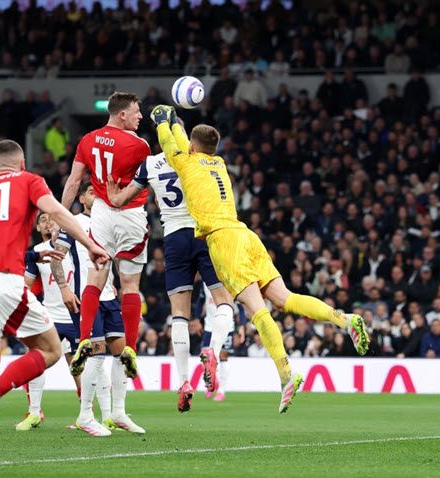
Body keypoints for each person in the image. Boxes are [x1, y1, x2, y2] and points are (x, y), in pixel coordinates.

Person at [149, 106, 369, 413]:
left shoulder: (186, 163)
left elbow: (169, 144)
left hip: (223, 240)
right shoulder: (219, 164)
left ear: (192, 147)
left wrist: (163, 120)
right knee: (285, 298)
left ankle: (286, 374)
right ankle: (344, 319)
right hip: (246, 235)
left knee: (257, 310)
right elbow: (188, 144)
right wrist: (175, 123)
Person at [0, 140, 110, 467]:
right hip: (2, 279)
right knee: (51, 350)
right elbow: (57, 211)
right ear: (23, 163)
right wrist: (89, 244)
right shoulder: (28, 181)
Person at [107, 151, 236, 413]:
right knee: (225, 301)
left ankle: (184, 381)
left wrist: (112, 194)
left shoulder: (150, 164)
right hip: (203, 233)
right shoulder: (199, 158)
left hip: (174, 238)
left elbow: (120, 200)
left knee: (179, 314)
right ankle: (212, 350)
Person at [61, 92, 151, 382]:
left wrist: (61, 217)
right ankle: (130, 348)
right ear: (122, 114)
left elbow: (74, 181)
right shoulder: (139, 145)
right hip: (130, 213)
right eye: (136, 111)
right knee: (130, 284)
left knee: (95, 279)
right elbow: (149, 180)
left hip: (99, 214)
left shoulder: (88, 140)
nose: (140, 116)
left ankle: (85, 338)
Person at [54, 183, 139, 435]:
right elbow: (57, 256)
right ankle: (85, 415)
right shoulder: (73, 222)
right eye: (91, 192)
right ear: (81, 198)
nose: (96, 195)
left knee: (122, 353)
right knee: (96, 355)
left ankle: (118, 413)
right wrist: (64, 289)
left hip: (109, 297)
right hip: (85, 297)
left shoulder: (109, 221)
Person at [19, 211, 112, 433]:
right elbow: (26, 285)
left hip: (76, 313)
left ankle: (103, 416)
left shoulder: (76, 248)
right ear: (39, 228)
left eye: (52, 218)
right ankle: (34, 412)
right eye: (43, 220)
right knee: (37, 359)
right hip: (50, 315)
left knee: (88, 363)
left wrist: (110, 287)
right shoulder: (38, 252)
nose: (48, 223)